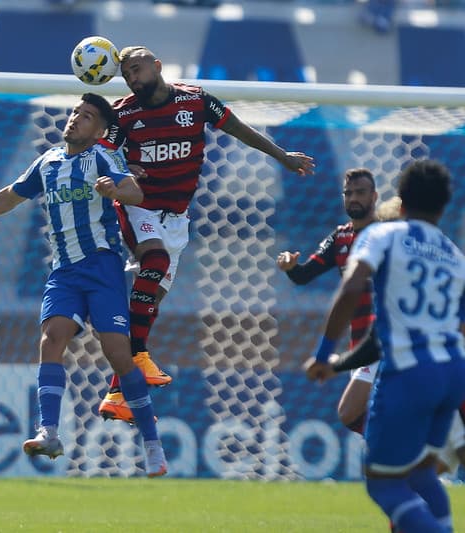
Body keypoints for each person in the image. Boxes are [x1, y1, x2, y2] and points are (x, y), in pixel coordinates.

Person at [0, 93, 168, 477]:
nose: (76, 119)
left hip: (103, 267)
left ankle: (152, 444)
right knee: (51, 337)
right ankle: (50, 432)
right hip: (64, 272)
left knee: (118, 355)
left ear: (99, 129)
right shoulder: (49, 162)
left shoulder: (102, 158)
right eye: (76, 112)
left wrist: (114, 190)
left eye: (86, 116)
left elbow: (135, 192)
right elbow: (6, 198)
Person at [98, 45, 315, 423]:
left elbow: (240, 130)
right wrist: (123, 164)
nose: (132, 78)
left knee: (149, 302)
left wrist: (283, 156)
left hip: (177, 219)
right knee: (155, 260)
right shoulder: (123, 113)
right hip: (138, 206)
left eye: (136, 69)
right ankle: (133, 350)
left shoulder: (197, 101)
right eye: (126, 74)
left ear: (157, 66)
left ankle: (117, 392)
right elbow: (99, 156)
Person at [304, 159, 465, 533]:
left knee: (383, 483)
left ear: (400, 203)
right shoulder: (455, 256)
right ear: (443, 208)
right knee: (422, 475)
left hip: (409, 372)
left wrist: (326, 352)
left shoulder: (383, 236)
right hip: (452, 373)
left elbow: (351, 287)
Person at [277, 168, 379, 434]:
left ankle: (408, 458)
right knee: (363, 415)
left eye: (360, 192)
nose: (353, 198)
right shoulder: (340, 237)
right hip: (361, 347)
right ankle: (413, 459)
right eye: (348, 193)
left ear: (374, 196)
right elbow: (304, 275)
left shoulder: (385, 235)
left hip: (384, 342)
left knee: (350, 412)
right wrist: (291, 267)